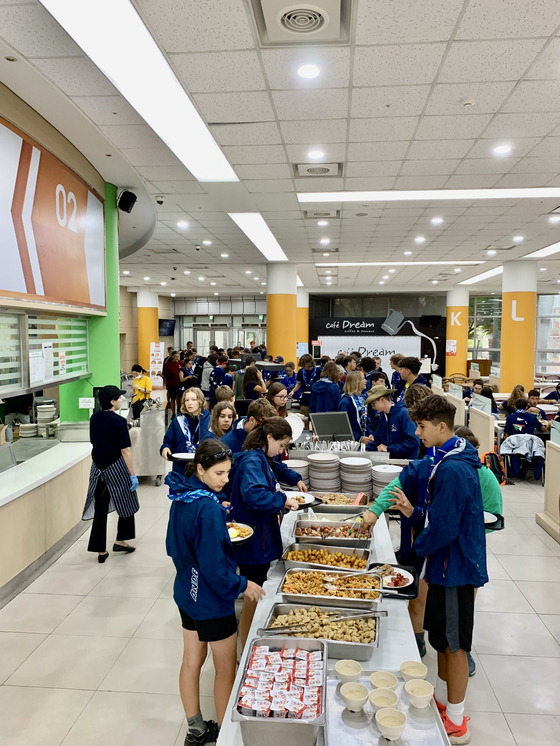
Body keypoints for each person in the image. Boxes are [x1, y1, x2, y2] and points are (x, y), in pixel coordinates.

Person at [396, 395, 487, 745]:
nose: (418, 433)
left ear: (441, 426)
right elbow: (438, 518)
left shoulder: (453, 469)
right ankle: (442, 700)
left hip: (455, 569)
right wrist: (412, 512)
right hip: (444, 566)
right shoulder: (448, 458)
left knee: (455, 645)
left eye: (421, 427)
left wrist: (418, 551)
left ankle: (457, 719)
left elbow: (446, 529)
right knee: (440, 639)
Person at [165, 439, 264, 746]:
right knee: (225, 667)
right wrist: (244, 585)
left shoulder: (182, 496)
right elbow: (214, 571)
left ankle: (196, 729)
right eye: (219, 473)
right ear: (200, 469)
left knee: (191, 661)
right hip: (211, 599)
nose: (225, 479)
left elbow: (172, 546)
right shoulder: (207, 508)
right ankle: (227, 735)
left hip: (186, 592)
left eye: (228, 473)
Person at [226, 417, 304, 645]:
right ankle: (245, 648)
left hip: (258, 536)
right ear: (269, 438)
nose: (281, 451)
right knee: (253, 593)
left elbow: (275, 469)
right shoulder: (252, 461)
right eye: (281, 445)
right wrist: (282, 499)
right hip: (254, 540)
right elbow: (254, 495)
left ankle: (245, 641)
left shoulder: (260, 457)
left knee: (255, 590)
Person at [82, 385, 139, 563]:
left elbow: (94, 442)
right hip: (116, 467)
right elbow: (125, 451)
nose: (122, 400)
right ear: (112, 402)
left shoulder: (94, 418)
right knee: (127, 502)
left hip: (98, 468)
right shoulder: (119, 422)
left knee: (100, 508)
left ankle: (100, 550)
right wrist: (132, 474)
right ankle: (121, 540)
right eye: (119, 398)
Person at [161, 388, 211, 473]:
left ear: (200, 401)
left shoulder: (209, 421)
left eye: (193, 400)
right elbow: (168, 441)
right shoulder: (177, 422)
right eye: (187, 400)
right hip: (181, 468)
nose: (189, 403)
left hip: (203, 468)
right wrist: (165, 448)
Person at [365, 386, 420, 458]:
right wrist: (365, 451)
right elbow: (378, 439)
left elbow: (414, 442)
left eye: (373, 403)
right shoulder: (383, 416)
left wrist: (388, 449)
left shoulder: (403, 414)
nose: (372, 407)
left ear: (382, 400)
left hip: (405, 463)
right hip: (390, 461)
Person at [337, 370, 373, 444]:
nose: (366, 381)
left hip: (364, 440)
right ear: (356, 381)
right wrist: (359, 438)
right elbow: (343, 426)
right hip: (351, 443)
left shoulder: (362, 400)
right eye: (363, 378)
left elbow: (366, 422)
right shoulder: (346, 402)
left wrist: (370, 434)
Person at [162, 350, 183, 417]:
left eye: (178, 356)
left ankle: (179, 410)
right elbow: (165, 374)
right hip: (171, 384)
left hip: (179, 383)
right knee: (172, 398)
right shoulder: (168, 364)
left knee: (179, 398)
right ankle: (173, 412)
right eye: (176, 356)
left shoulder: (181, 363)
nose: (177, 358)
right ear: (172, 357)